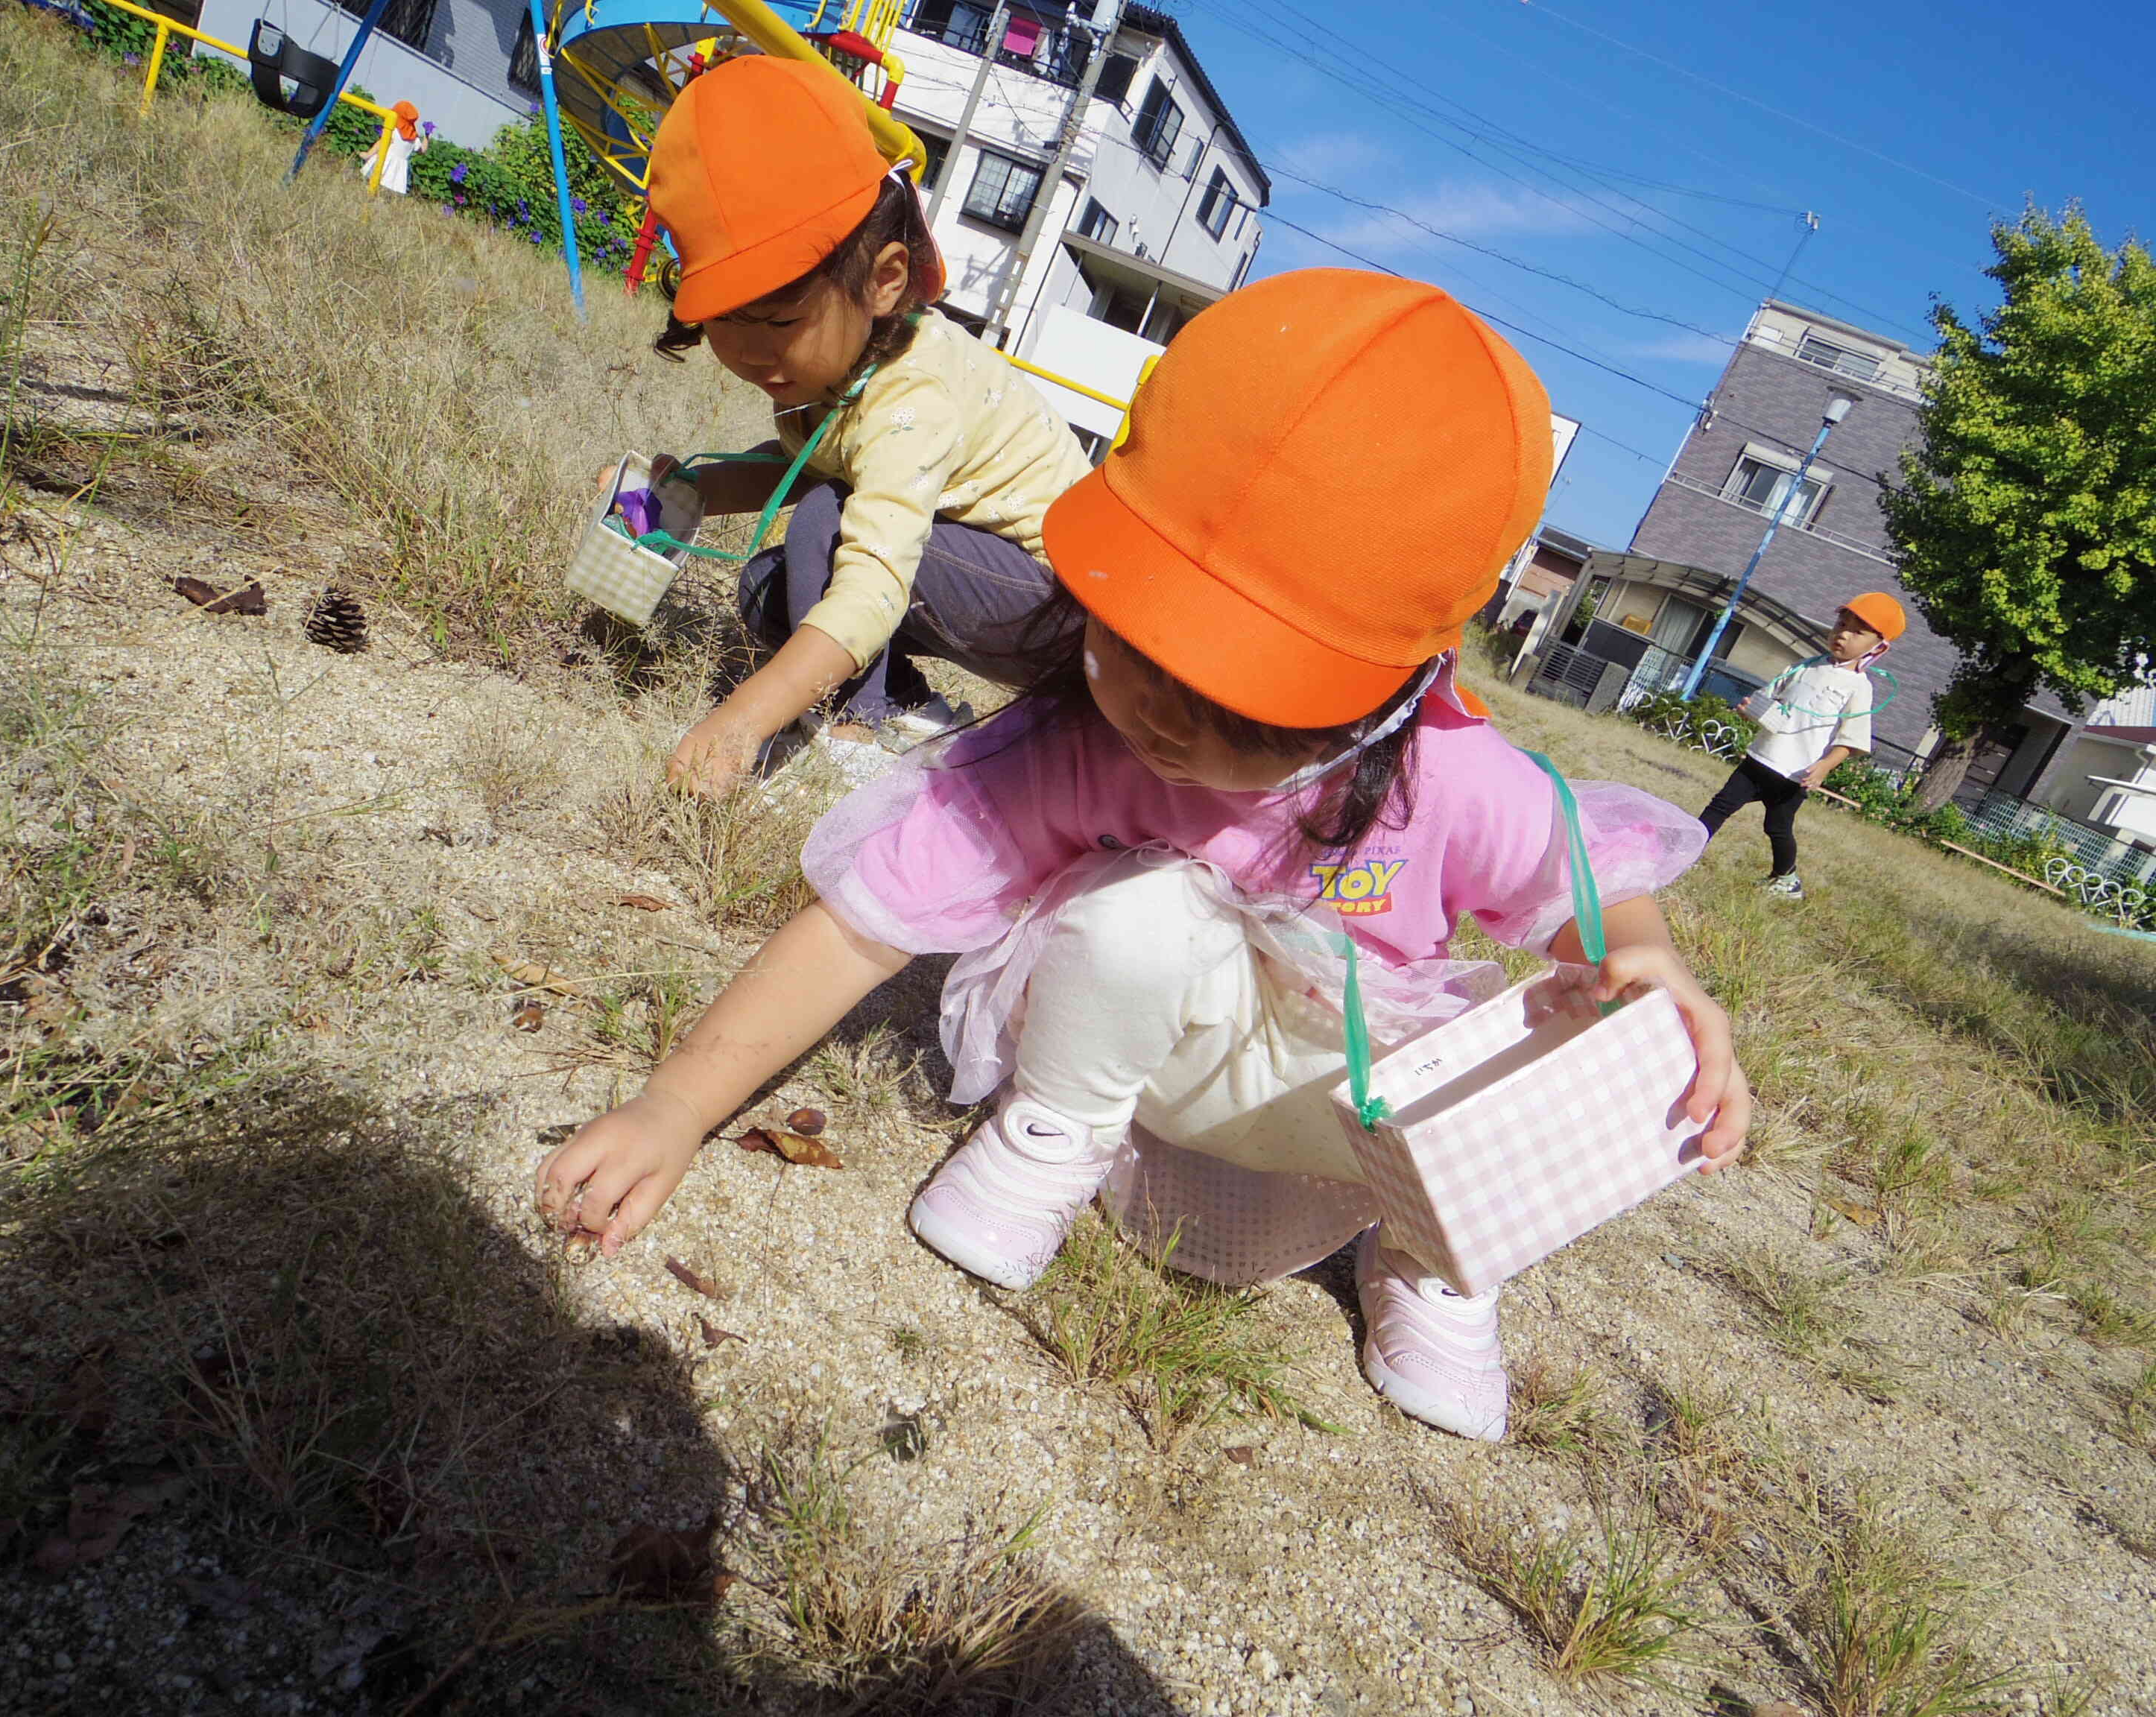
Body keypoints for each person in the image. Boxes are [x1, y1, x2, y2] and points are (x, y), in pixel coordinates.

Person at [538, 270, 1751, 1442]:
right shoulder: (1091, 736)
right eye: (1134, 635)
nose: (1163, 711)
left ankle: (1438, 1260)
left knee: (1541, 1024)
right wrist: (675, 1105)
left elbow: (1586, 886)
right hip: (1151, 1078)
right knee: (1137, 906)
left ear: (1389, 693)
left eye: (1246, 692)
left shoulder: (1453, 776)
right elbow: (866, 919)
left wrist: (1643, 963)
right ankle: (1051, 1131)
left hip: (1352, 1117)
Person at [634, 56, 1093, 794]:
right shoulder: (828, 367)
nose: (752, 350)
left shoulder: (914, 390)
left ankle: (859, 723)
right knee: (767, 586)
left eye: (781, 318)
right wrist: (658, 501)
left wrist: (744, 718)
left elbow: (875, 571)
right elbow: (795, 465)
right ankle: (915, 712)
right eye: (724, 320)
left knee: (829, 519)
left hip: (1060, 608)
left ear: (883, 282)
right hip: (974, 578)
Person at [1698, 594, 1906, 900]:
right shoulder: (1804, 667)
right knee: (1720, 805)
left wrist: (1823, 767)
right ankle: (1685, 851)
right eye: (1841, 624)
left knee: (1777, 827)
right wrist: (1750, 708)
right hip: (1760, 759)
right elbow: (1769, 698)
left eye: (1857, 632)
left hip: (1794, 776)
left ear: (1879, 647)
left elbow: (1850, 740)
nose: (1843, 634)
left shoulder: (1859, 688)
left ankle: (1786, 879)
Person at [360, 101, 426, 196]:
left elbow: (381, 143)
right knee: (386, 195)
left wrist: (368, 155)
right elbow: (422, 150)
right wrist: (427, 137)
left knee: (370, 187)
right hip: (398, 171)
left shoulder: (393, 130)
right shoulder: (414, 138)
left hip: (384, 161)